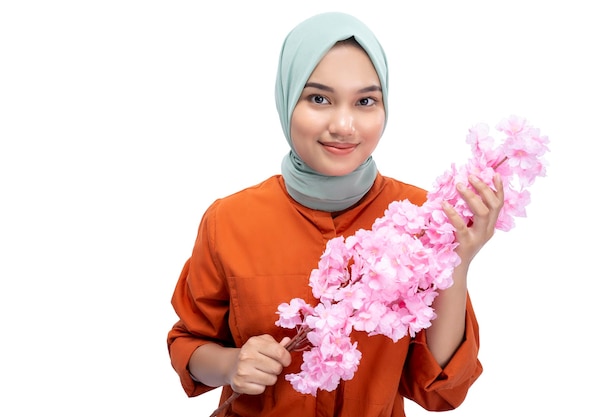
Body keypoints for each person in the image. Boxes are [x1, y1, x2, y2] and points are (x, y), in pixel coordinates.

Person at [167, 11, 504, 417]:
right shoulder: (229, 220)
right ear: (287, 97)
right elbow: (188, 342)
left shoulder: (423, 217)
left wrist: (456, 261)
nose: (344, 125)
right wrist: (231, 365)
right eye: (319, 99)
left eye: (365, 101)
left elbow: (441, 392)